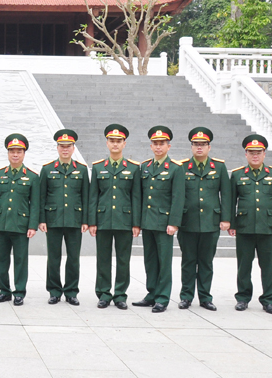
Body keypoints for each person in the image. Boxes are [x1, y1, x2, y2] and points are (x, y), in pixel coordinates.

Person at [230, 134, 272, 314]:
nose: (255, 155)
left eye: (258, 152)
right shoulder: (238, 174)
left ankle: (268, 299)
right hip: (244, 227)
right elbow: (231, 201)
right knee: (244, 265)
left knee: (268, 266)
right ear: (246, 154)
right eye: (251, 152)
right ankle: (243, 298)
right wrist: (232, 223)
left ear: (264, 154)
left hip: (267, 226)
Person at [177, 127, 231, 311]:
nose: (199, 148)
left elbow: (226, 194)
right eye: (196, 144)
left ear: (209, 147)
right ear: (191, 146)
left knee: (206, 262)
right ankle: (186, 296)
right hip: (188, 222)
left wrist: (226, 219)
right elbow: (177, 196)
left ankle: (205, 297)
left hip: (211, 222)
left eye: (203, 144)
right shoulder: (182, 167)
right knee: (188, 261)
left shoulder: (219, 167)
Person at [132, 126, 185, 313]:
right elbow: (139, 196)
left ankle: (163, 297)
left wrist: (174, 222)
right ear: (151, 145)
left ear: (168, 146)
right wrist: (137, 223)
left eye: (162, 144)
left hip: (164, 224)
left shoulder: (176, 169)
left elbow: (178, 198)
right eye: (155, 144)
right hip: (147, 222)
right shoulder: (145, 167)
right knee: (150, 260)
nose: (158, 147)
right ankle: (151, 294)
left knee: (164, 261)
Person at [88, 124, 140, 310]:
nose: (115, 144)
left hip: (124, 221)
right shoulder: (98, 167)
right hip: (102, 221)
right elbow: (93, 196)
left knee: (123, 260)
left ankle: (120, 295)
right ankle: (103, 293)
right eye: (112, 141)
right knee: (103, 259)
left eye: (119, 141)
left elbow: (136, 197)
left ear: (124, 144)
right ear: (107, 143)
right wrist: (92, 221)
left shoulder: (133, 168)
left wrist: (136, 223)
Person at [39, 129, 89, 306]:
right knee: (53, 257)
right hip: (53, 220)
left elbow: (86, 196)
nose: (65, 150)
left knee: (73, 258)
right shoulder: (47, 169)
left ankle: (71, 291)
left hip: (74, 220)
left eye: (68, 146)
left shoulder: (82, 170)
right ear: (57, 148)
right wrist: (42, 219)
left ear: (74, 148)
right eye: (62, 146)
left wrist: (85, 220)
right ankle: (54, 291)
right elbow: (41, 196)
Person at [0, 134, 38, 306]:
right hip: (2, 224)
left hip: (21, 226)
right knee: (1, 260)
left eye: (19, 151)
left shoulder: (32, 177)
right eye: (12, 151)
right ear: (8, 153)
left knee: (20, 260)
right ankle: (4, 291)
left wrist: (32, 225)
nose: (15, 155)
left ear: (24, 154)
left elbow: (35, 204)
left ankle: (19, 292)